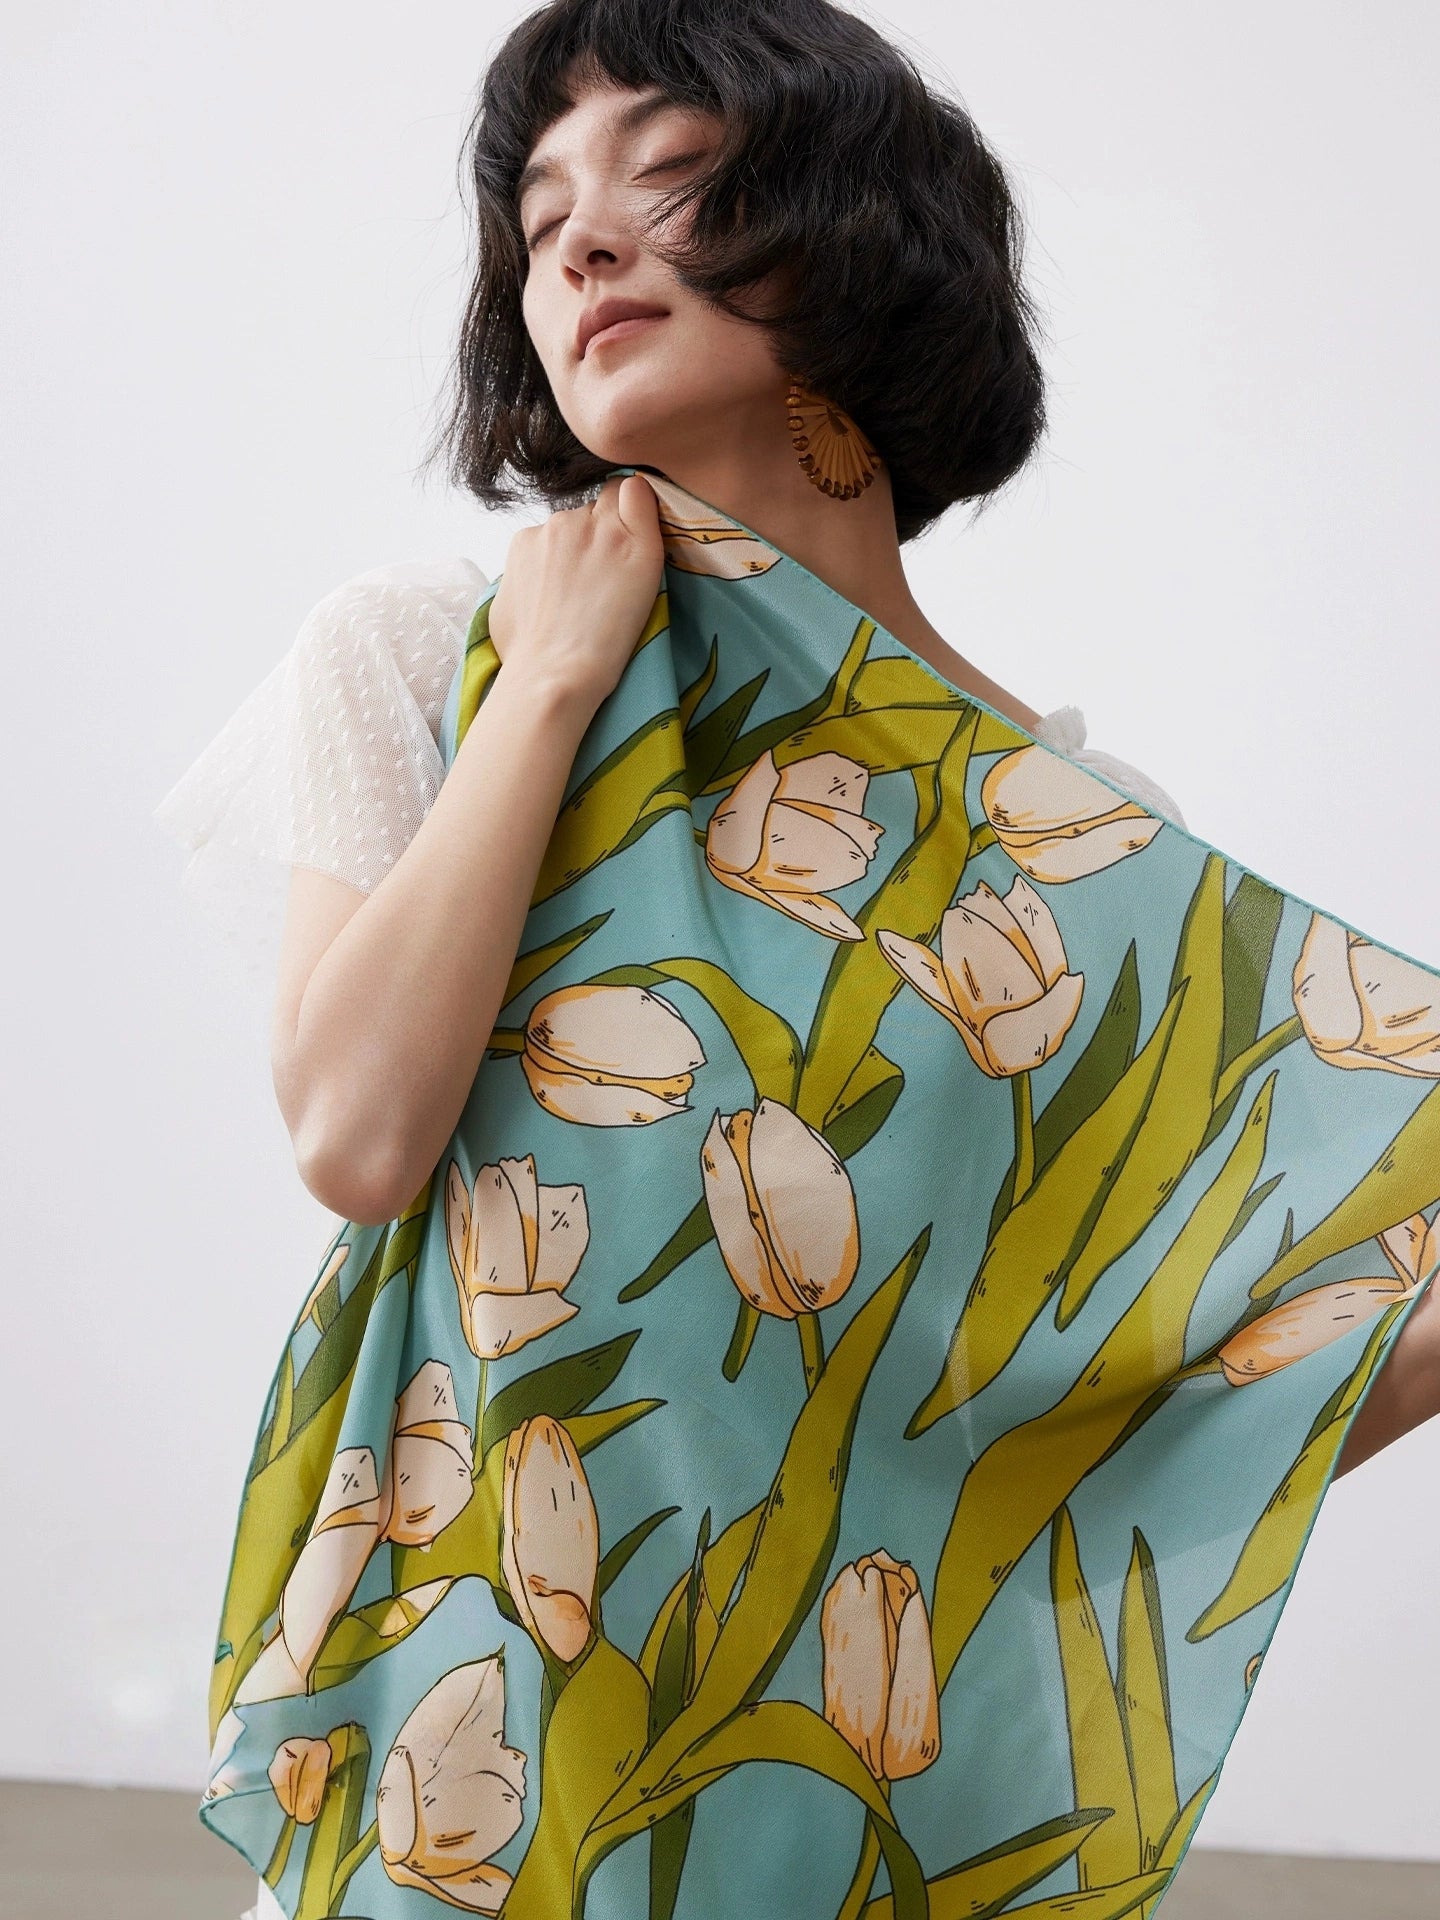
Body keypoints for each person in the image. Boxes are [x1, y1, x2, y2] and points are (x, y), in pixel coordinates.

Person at [152, 4, 1440, 1916]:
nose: (579, 246)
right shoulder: (430, 654)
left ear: (856, 239)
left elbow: (1139, 1395)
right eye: (539, 220)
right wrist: (561, 682)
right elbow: (355, 1133)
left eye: (669, 182)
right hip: (468, 1750)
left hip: (816, 1791)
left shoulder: (1069, 831)